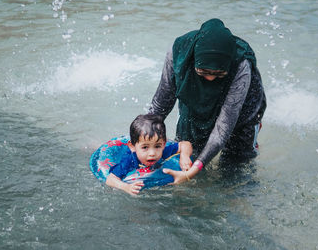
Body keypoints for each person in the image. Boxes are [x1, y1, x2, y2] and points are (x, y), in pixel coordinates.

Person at [148, 18, 267, 184]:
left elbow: (223, 129)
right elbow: (161, 104)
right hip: (195, 102)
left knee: (234, 172)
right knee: (187, 153)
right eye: (203, 71)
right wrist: (143, 137)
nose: (210, 78)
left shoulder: (241, 65)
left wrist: (192, 173)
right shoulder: (178, 54)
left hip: (242, 112)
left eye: (218, 74)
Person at [106, 114, 193, 195]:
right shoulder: (129, 160)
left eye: (157, 146)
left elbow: (185, 144)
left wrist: (184, 156)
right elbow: (110, 179)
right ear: (132, 146)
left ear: (163, 144)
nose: (152, 153)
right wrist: (126, 187)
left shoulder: (163, 151)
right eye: (145, 147)